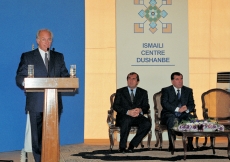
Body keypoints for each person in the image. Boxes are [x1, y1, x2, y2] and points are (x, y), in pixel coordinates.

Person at [16, 29, 70, 162]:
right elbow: (19, 76)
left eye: (49, 39)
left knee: (51, 138)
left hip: (54, 103)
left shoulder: (58, 57)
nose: (47, 42)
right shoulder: (28, 56)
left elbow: (65, 75)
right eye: (44, 39)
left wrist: (69, 79)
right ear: (37, 40)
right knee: (37, 139)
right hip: (36, 102)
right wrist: (26, 82)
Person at [113, 72, 151, 153]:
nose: (131, 80)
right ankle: (122, 146)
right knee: (126, 121)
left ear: (137, 81)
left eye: (133, 79)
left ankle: (132, 144)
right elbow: (115, 106)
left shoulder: (143, 92)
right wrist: (127, 112)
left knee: (147, 123)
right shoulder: (120, 91)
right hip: (124, 116)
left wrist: (140, 110)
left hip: (137, 116)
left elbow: (146, 106)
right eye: (129, 78)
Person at [161, 72, 196, 151]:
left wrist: (186, 108)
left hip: (183, 114)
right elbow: (164, 103)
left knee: (191, 118)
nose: (180, 81)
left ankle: (190, 144)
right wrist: (177, 109)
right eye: (177, 79)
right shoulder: (166, 90)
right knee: (172, 119)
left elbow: (192, 104)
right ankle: (171, 144)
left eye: (181, 79)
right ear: (172, 81)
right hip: (169, 114)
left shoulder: (188, 90)